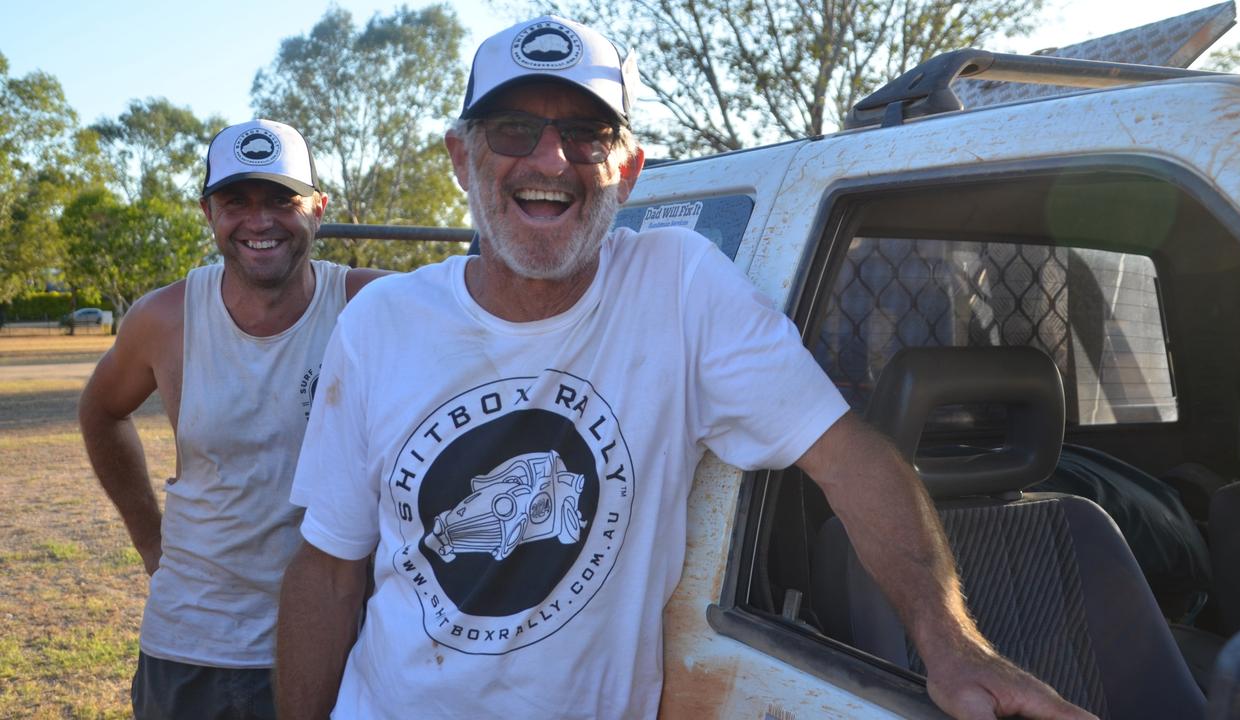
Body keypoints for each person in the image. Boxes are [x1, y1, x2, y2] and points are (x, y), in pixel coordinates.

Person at [275, 16, 1094, 720]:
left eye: (587, 134)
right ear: (462, 157)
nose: (550, 159)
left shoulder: (681, 286)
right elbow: (330, 569)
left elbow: (849, 460)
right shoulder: (381, 323)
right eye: (513, 130)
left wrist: (952, 647)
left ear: (628, 170)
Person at [78, 118, 386, 720]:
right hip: (194, 647)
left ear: (318, 208)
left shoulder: (372, 307)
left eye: (281, 199)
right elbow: (101, 410)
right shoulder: (166, 318)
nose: (259, 220)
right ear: (207, 213)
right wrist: (150, 541)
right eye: (235, 201)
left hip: (339, 638)